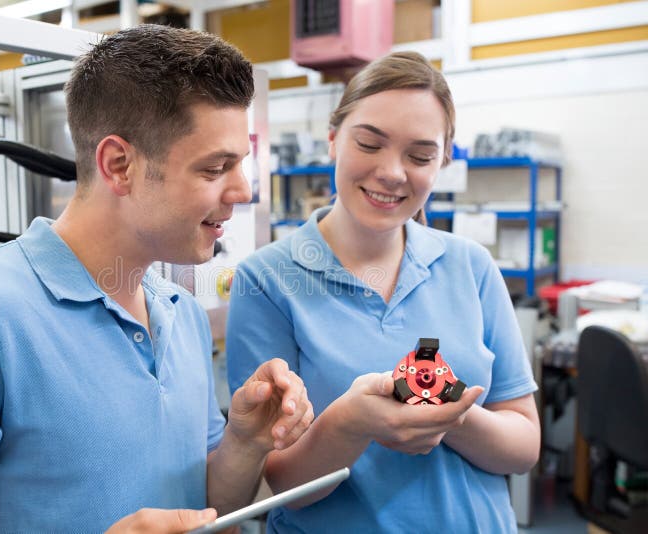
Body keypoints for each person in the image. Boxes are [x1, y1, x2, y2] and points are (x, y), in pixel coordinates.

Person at [0, 25, 314, 533]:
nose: (242, 191)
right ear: (119, 165)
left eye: (240, 164)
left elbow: (204, 507)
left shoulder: (181, 313)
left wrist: (244, 443)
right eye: (215, 168)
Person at [226, 51, 540, 533]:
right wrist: (350, 423)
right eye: (370, 144)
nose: (393, 172)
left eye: (419, 156)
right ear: (333, 140)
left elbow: (523, 446)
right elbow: (276, 484)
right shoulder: (267, 281)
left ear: (443, 161)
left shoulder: (469, 266)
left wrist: (447, 413)